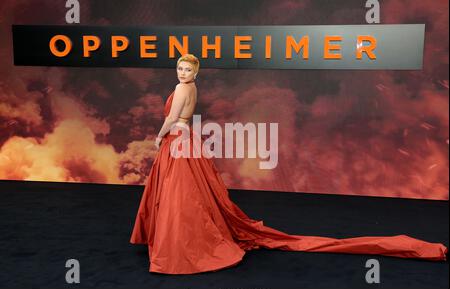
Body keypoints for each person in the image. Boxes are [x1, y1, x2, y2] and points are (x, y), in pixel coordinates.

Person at [130, 54, 447, 274]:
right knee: (192, 195)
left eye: (187, 69)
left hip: (178, 139)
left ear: (195, 73)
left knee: (181, 196)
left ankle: (182, 247)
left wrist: (159, 137)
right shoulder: (190, 87)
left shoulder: (183, 89)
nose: (182, 73)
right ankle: (180, 238)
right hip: (188, 140)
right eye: (179, 68)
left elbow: (172, 118)